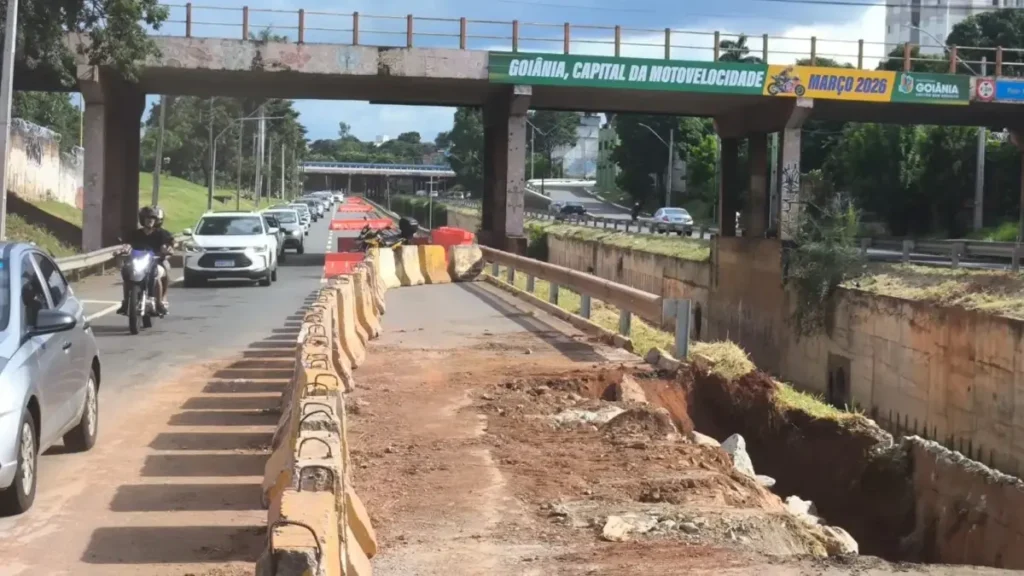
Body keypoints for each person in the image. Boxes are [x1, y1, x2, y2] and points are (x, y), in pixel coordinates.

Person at [117, 206, 174, 316]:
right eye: (147, 217)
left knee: (157, 275)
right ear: (142, 219)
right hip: (138, 261)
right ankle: (126, 302)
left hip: (155, 261)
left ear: (156, 220)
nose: (150, 220)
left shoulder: (161, 234)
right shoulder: (135, 234)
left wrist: (166, 250)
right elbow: (128, 244)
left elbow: (166, 245)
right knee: (127, 273)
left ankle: (159, 303)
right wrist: (124, 249)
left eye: (153, 218)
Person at [152, 206, 172, 307]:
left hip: (158, 259)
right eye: (151, 219)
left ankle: (164, 296)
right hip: (141, 260)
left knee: (166, 267)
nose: (153, 222)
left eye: (156, 219)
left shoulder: (164, 233)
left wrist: (168, 250)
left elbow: (172, 243)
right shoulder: (140, 233)